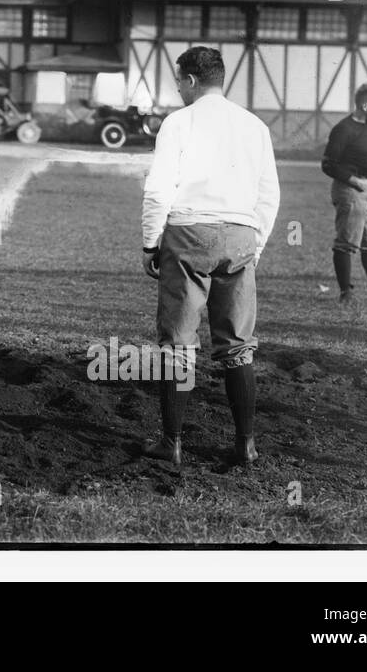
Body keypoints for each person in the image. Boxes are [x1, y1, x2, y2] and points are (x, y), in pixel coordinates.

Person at [140, 46, 280, 467]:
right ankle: (246, 444)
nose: (178, 89)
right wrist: (254, 246)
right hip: (239, 235)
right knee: (238, 345)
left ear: (191, 81)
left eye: (179, 81)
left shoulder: (179, 122)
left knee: (179, 344)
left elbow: (159, 187)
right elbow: (269, 195)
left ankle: (172, 442)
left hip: (188, 235)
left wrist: (151, 242)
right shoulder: (255, 125)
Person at [322, 83, 367, 303]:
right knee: (347, 242)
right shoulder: (343, 129)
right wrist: (354, 180)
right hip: (350, 191)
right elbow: (328, 165)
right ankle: (346, 294)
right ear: (364, 104)